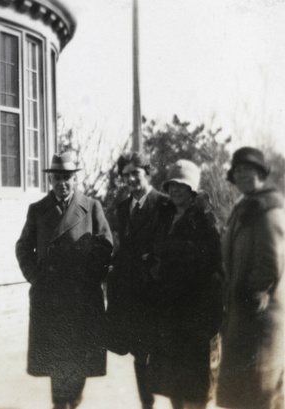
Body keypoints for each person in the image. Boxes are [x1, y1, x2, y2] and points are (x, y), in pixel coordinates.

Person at [16, 151, 113, 409]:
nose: (62, 183)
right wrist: (35, 276)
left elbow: (106, 246)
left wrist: (92, 276)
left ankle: (74, 403)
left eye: (67, 177)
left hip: (83, 298)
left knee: (80, 362)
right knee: (57, 365)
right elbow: (23, 247)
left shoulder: (92, 207)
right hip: (51, 298)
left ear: (75, 179)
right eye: (57, 177)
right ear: (51, 180)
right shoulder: (38, 209)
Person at [144, 160, 222, 409]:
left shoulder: (205, 220)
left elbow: (206, 265)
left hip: (195, 316)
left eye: (182, 185)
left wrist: (164, 265)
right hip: (169, 314)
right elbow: (156, 248)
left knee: (195, 389)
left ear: (193, 190)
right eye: (172, 185)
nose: (176, 190)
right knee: (173, 385)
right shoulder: (165, 216)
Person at [216, 147, 285, 409]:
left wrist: (253, 296)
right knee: (242, 393)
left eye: (249, 171)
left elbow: (269, 264)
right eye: (238, 172)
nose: (244, 176)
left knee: (261, 394)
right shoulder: (244, 206)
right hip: (242, 316)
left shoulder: (269, 209)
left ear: (261, 173)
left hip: (259, 318)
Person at [106, 152, 170, 409]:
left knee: (159, 352)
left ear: (147, 172)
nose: (131, 179)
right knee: (139, 352)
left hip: (156, 292)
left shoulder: (165, 204)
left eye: (136, 173)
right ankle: (147, 404)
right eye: (126, 175)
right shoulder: (123, 208)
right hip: (131, 293)